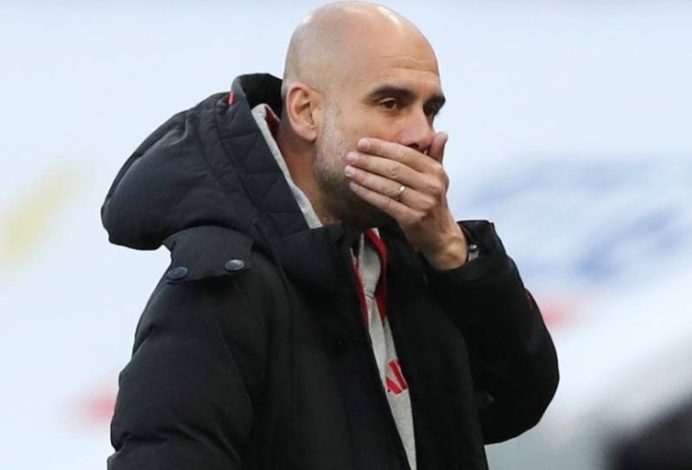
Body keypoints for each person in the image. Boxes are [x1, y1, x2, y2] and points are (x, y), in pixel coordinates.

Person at [102, 2, 559, 469]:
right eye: (390, 104)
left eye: (430, 110)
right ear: (305, 112)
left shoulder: (409, 255)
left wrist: (450, 250)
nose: (421, 134)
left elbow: (518, 398)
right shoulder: (223, 284)